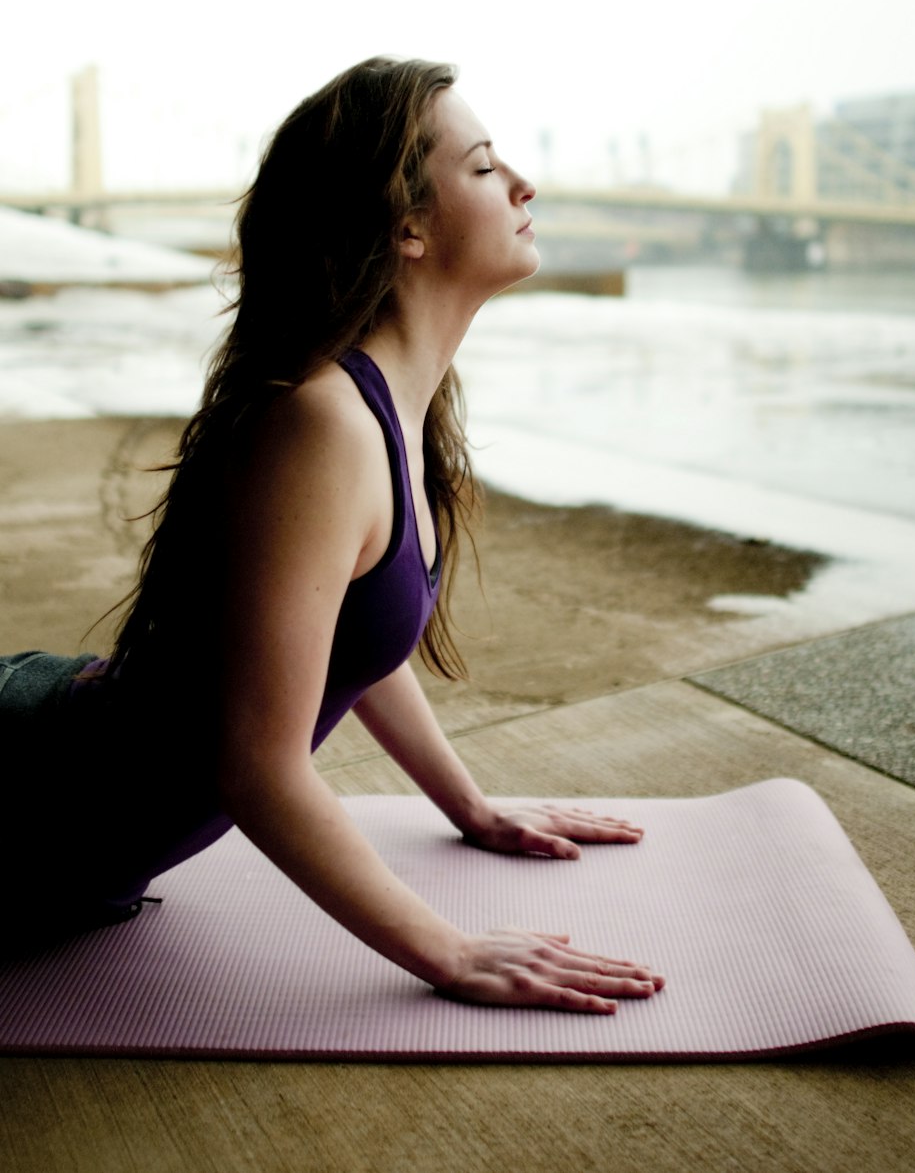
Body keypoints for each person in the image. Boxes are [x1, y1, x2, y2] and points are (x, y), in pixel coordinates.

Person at [0, 56, 664, 1012]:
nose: (524, 184)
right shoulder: (325, 424)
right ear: (407, 228)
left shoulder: (386, 408)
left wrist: (468, 806)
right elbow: (258, 768)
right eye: (482, 168)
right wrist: (452, 954)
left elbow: (349, 633)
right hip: (23, 804)